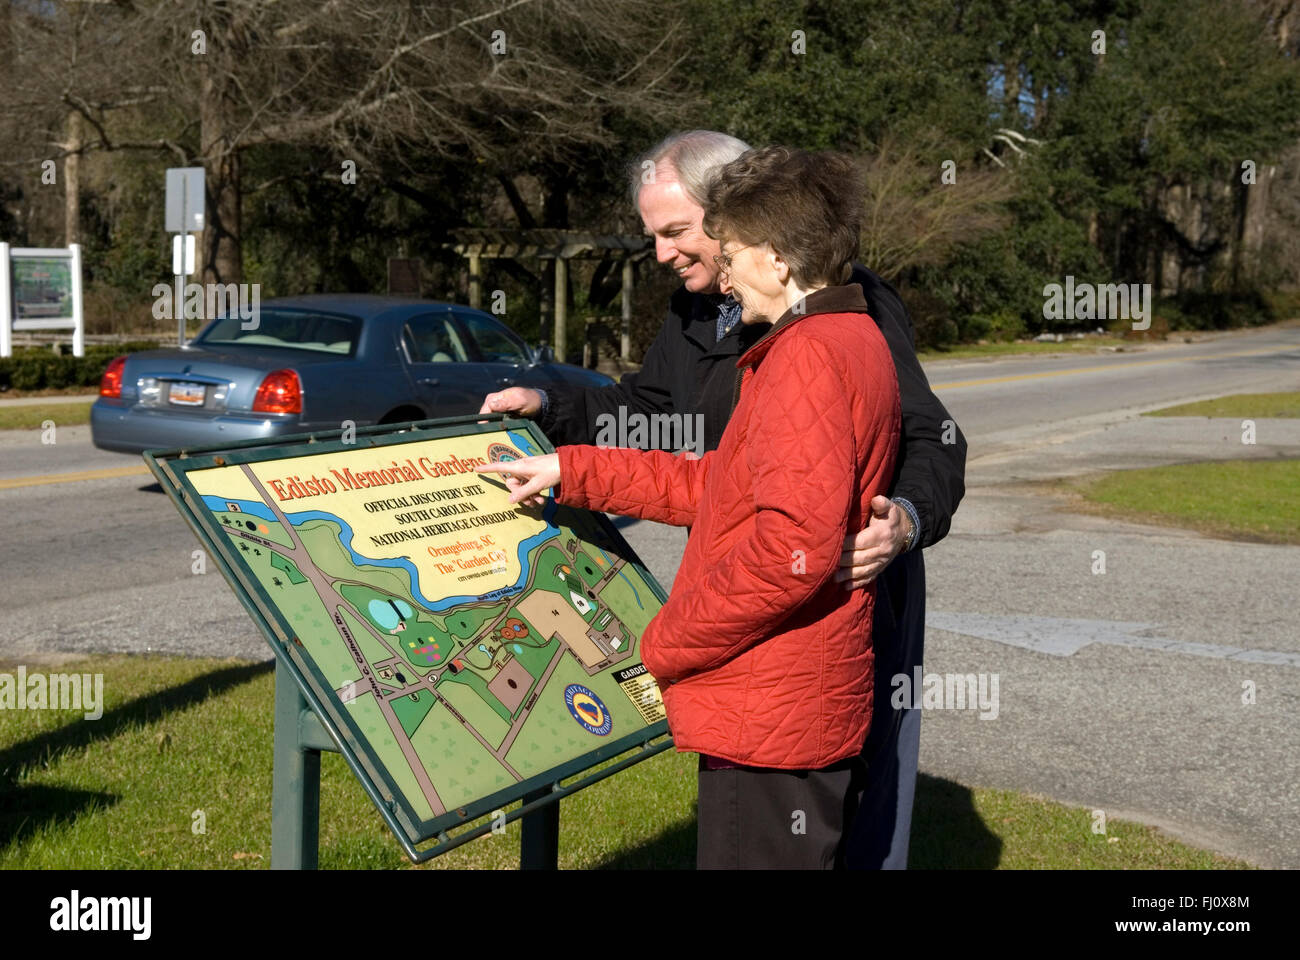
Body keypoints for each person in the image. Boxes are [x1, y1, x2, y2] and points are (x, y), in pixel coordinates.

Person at [479, 130, 967, 869]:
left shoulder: (836, 327)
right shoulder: (718, 313)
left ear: (747, 230)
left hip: (847, 586)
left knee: (858, 811)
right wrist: (552, 413)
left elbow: (929, 437)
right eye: (654, 237)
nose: (665, 255)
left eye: (680, 234)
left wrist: (905, 519)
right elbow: (652, 419)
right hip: (767, 618)